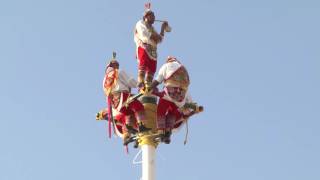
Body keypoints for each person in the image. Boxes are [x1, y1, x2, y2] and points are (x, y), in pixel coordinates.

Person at [102, 54, 150, 144]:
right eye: (116, 65)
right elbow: (130, 81)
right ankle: (141, 125)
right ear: (114, 66)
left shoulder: (104, 80)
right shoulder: (118, 72)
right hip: (122, 96)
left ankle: (127, 131)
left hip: (114, 104)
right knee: (138, 105)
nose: (117, 66)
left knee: (129, 112)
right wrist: (140, 85)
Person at [151, 56, 191, 144]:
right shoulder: (183, 69)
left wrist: (150, 87)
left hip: (170, 92)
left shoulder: (167, 66)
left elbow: (159, 79)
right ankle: (168, 133)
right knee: (172, 112)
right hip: (181, 96)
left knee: (161, 109)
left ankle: (161, 131)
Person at [134, 3, 169, 92]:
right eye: (152, 16)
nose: (154, 18)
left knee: (152, 68)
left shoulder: (152, 28)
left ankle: (148, 84)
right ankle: (141, 82)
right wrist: (155, 37)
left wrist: (162, 28)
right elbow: (144, 35)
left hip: (153, 50)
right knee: (143, 64)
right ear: (146, 16)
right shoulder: (140, 23)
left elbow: (159, 40)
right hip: (144, 46)